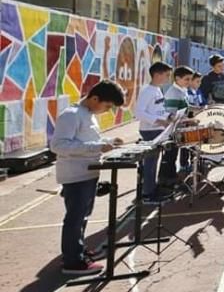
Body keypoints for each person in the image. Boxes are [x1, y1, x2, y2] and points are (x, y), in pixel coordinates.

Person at [51, 80, 126, 276]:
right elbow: (58, 146)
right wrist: (96, 147)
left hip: (88, 173)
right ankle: (72, 262)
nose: (107, 110)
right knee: (75, 219)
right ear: (94, 98)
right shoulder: (71, 115)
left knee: (82, 217)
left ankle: (77, 251)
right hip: (75, 175)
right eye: (107, 106)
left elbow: (88, 141)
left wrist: (107, 142)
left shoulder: (89, 115)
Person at [136, 61, 174, 201]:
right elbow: (139, 113)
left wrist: (169, 117)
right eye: (167, 75)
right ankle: (148, 193)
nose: (168, 78)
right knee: (150, 163)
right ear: (157, 75)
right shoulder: (147, 91)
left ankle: (152, 187)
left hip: (158, 131)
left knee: (153, 162)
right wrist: (159, 121)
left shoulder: (158, 90)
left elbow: (158, 110)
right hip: (150, 131)